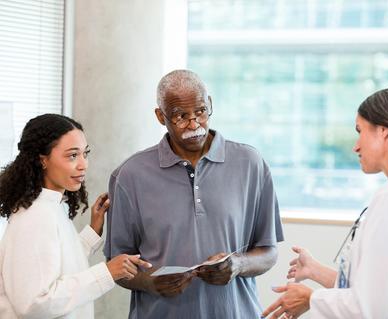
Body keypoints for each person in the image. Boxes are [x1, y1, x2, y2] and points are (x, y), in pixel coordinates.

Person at [104, 69, 284, 318]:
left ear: (210, 104)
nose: (194, 124)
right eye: (180, 116)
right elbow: (117, 264)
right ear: (160, 116)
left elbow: (269, 251)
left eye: (200, 111)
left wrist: (238, 265)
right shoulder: (129, 175)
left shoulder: (251, 163)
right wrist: (150, 283)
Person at [262, 87, 388, 319]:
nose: (356, 146)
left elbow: (373, 308)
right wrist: (316, 271)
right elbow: (381, 287)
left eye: (360, 131)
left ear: (383, 130)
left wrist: (310, 298)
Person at [0, 114, 151, 319]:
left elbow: (57, 266)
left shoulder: (50, 206)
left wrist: (92, 231)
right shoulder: (35, 217)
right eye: (72, 156)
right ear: (42, 160)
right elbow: (34, 304)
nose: (83, 165)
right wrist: (107, 272)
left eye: (84, 154)